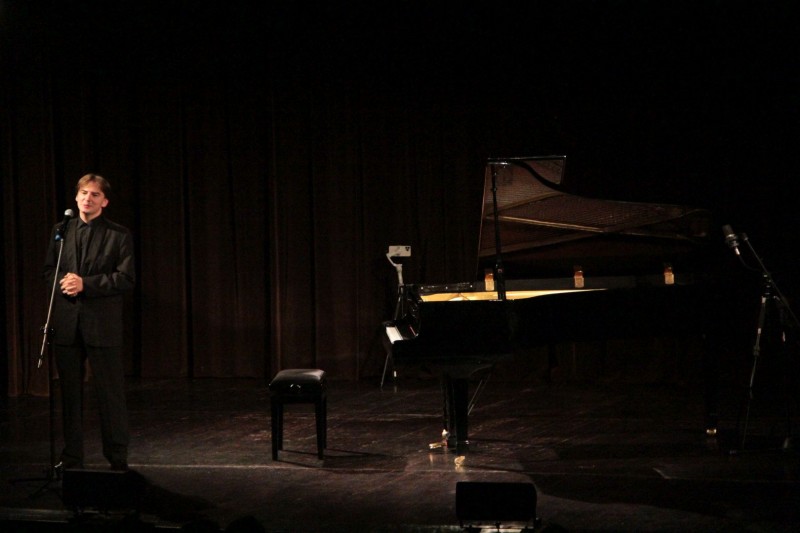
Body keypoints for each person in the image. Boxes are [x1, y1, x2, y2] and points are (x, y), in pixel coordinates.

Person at [43, 173, 135, 471]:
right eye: (84, 193)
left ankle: (117, 456)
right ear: (76, 197)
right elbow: (49, 271)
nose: (88, 198)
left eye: (95, 194)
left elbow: (125, 278)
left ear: (104, 202)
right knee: (70, 395)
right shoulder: (61, 230)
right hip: (67, 323)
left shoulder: (118, 234)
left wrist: (86, 284)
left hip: (102, 324)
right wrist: (64, 283)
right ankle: (72, 456)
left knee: (110, 394)